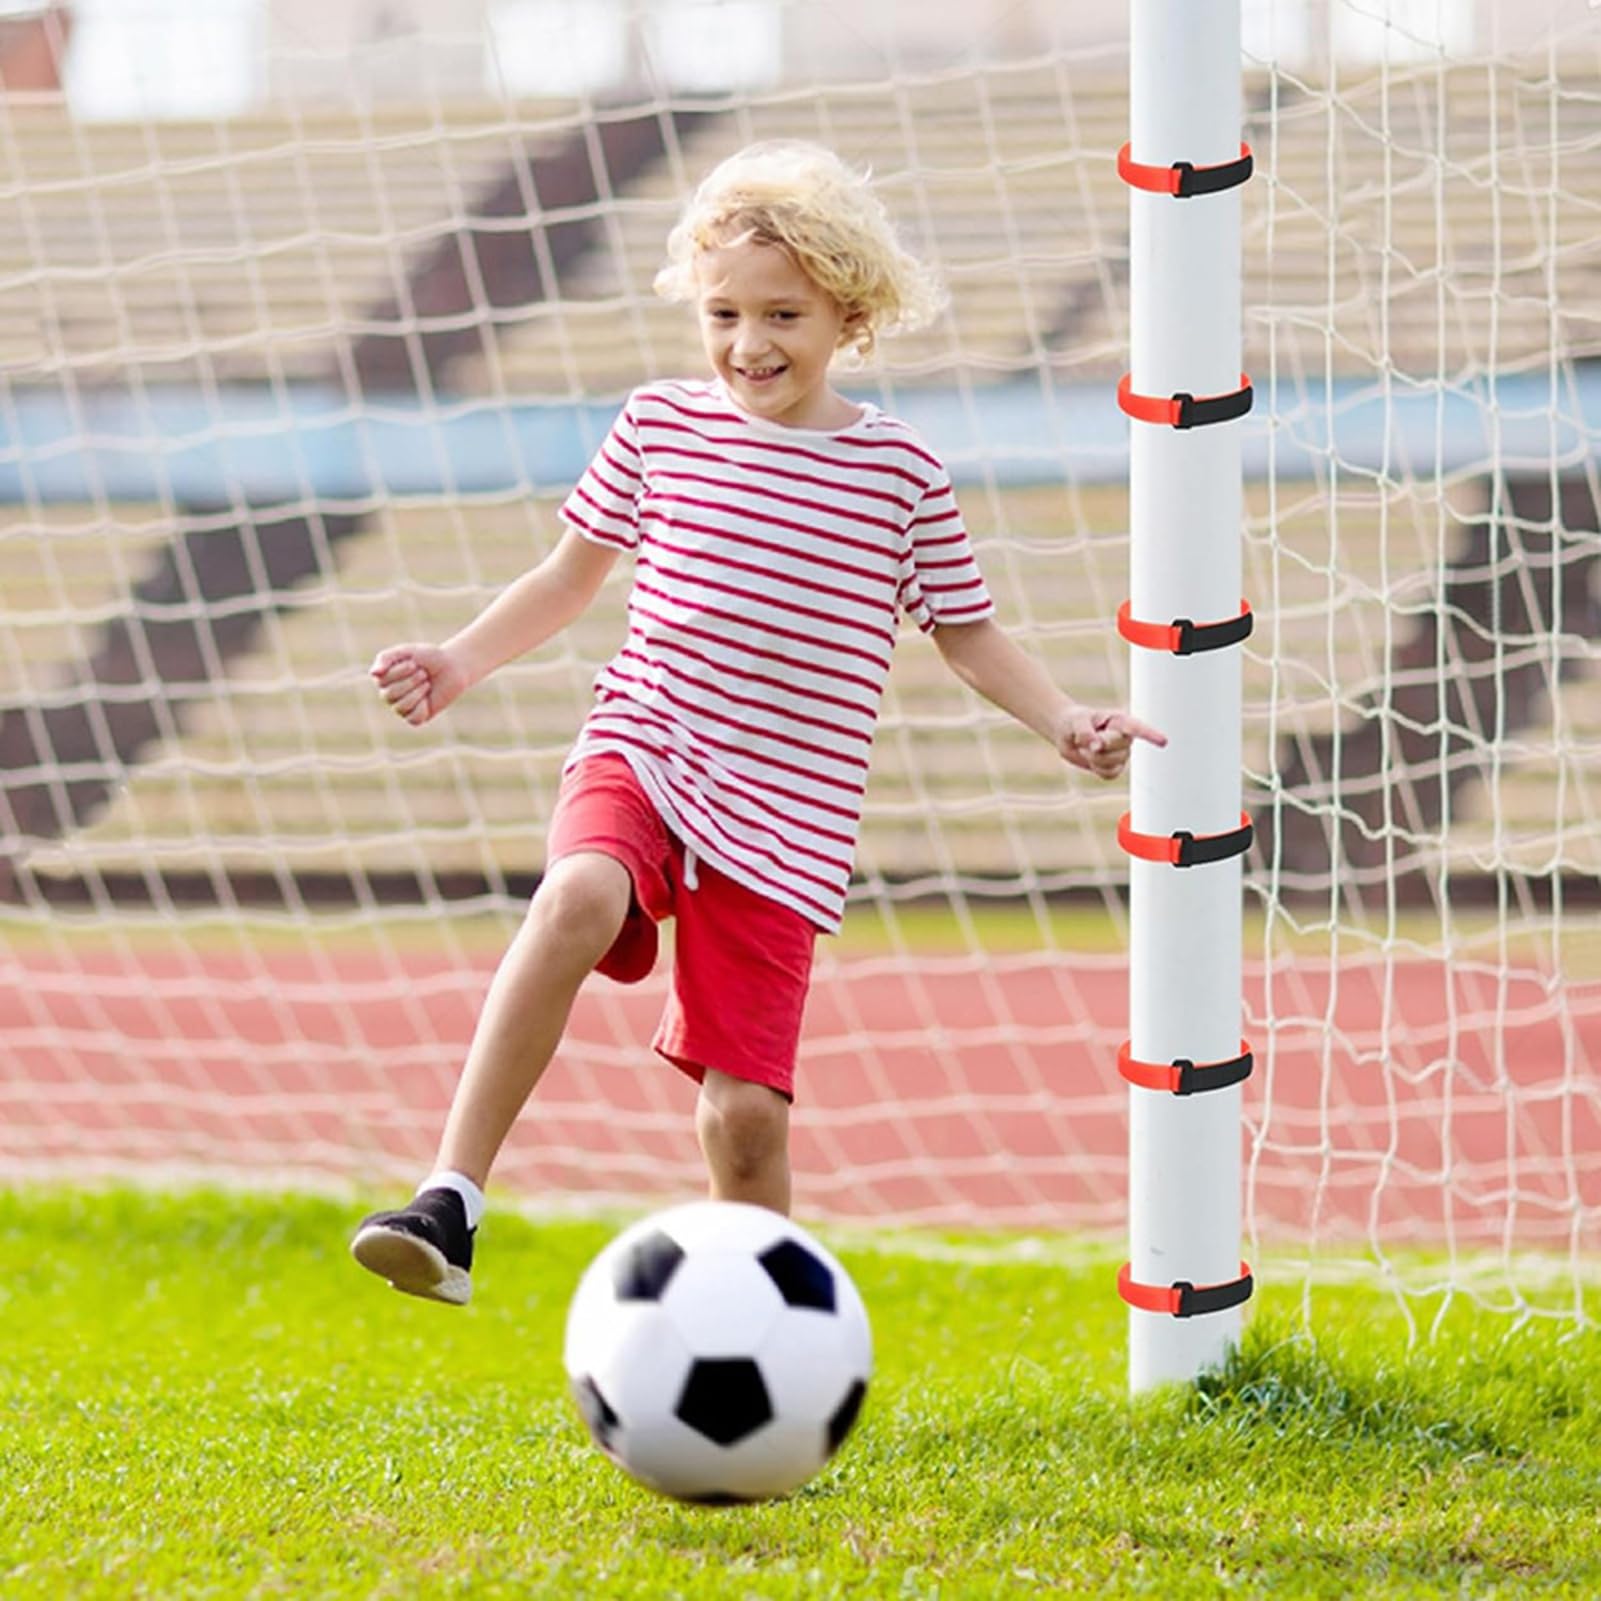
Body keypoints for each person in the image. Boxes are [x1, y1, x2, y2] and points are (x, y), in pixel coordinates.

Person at [350, 139, 1164, 1305]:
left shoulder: (900, 474)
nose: (748, 343)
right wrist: (457, 659)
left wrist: (1062, 722)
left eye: (782, 312)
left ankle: (766, 1317)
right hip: (647, 738)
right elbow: (567, 577)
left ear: (850, 313)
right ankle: (450, 1198)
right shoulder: (657, 427)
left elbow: (966, 632)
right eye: (722, 312)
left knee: (739, 1119)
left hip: (787, 818)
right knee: (576, 892)